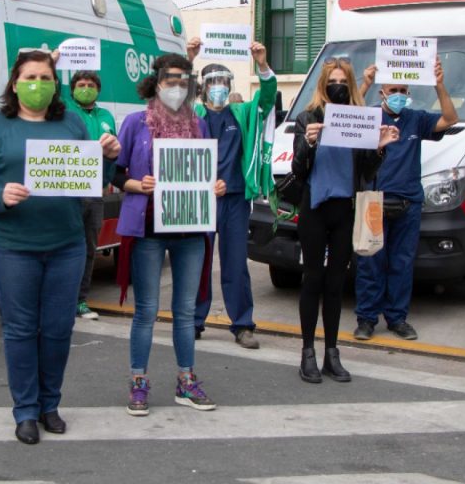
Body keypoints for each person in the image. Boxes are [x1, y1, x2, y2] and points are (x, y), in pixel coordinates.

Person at [0, 50, 120, 444]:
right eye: (30, 77)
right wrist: (0, 195)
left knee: (56, 330)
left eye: (46, 78)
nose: (38, 85)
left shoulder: (71, 122)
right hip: (12, 246)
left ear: (56, 86)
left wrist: (107, 159)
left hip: (66, 245)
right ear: (15, 84)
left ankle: (50, 404)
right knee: (20, 330)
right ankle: (25, 411)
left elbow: (93, 182)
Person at [113, 53, 224, 416]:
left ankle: (186, 381)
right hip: (148, 229)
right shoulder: (134, 123)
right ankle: (138, 381)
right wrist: (137, 184)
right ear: (156, 81)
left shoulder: (200, 124)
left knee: (186, 310)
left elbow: (205, 173)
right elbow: (115, 174)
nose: (177, 86)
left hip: (190, 228)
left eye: (183, 80)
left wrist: (215, 186)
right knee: (146, 310)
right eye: (170, 79)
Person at [291, 57, 398, 384]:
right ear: (323, 83)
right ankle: (307, 352)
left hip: (344, 209)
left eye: (342, 81)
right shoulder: (307, 117)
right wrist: (308, 143)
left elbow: (365, 172)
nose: (337, 85)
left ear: (349, 84)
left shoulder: (359, 119)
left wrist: (379, 149)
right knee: (312, 280)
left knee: (336, 284)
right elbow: (298, 170)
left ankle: (332, 353)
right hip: (315, 208)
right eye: (332, 80)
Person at [352, 59, 458, 341]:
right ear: (382, 93)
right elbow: (344, 117)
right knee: (369, 262)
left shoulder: (417, 118)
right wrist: (364, 83)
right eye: (393, 89)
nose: (398, 94)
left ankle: (397, 318)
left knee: (401, 263)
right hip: (372, 201)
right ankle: (366, 319)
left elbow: (449, 118)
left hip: (408, 202)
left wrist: (439, 85)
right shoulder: (368, 116)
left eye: (403, 89)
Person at [186, 37, 277, 349]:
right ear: (203, 87)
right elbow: (173, 96)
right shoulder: (193, 114)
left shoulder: (241, 113)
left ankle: (242, 324)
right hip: (201, 199)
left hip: (236, 199)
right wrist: (188, 57)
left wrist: (261, 64)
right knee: (197, 261)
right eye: (213, 82)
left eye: (224, 82)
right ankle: (195, 321)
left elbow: (267, 98)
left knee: (236, 263)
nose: (220, 87)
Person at [64, 69, 116, 320]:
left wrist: (106, 180)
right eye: (81, 84)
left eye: (90, 84)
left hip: (95, 191)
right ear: (72, 89)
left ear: (97, 89)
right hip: (66, 190)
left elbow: (113, 152)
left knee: (88, 247)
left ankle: (80, 301)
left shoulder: (106, 116)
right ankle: (61, 300)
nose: (85, 88)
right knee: (63, 246)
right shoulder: (64, 110)